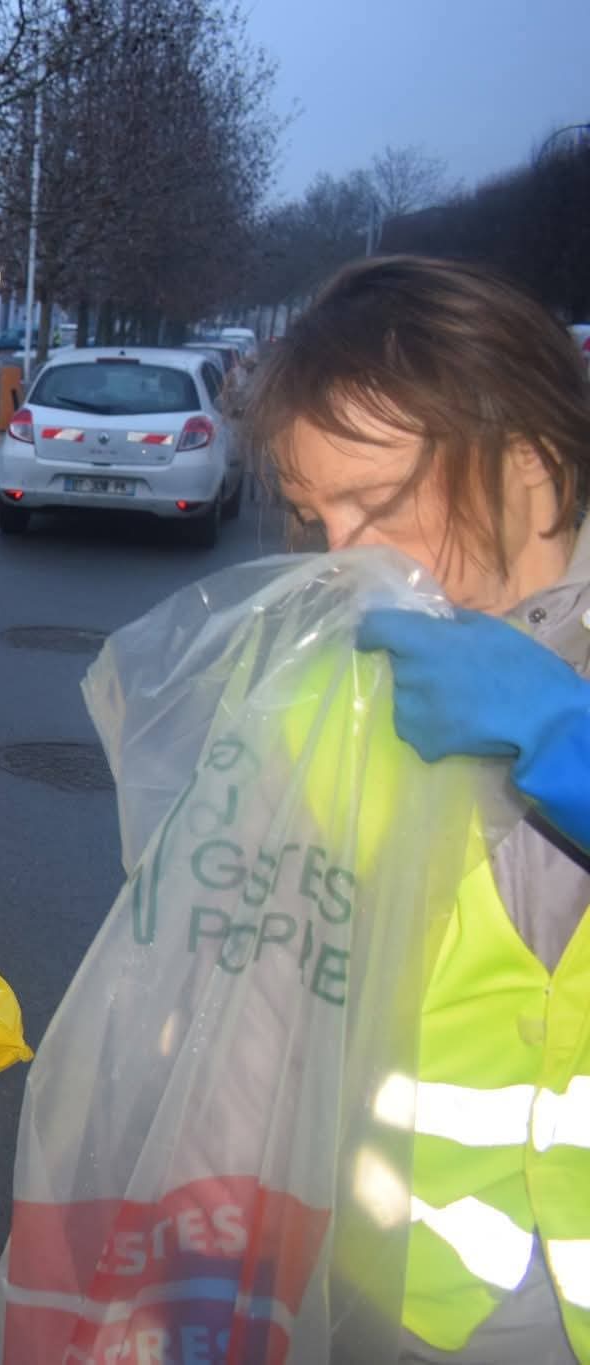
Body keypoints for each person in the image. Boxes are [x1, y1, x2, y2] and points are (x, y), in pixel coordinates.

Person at [246, 256, 590, 1363]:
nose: (344, 555)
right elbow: (260, 986)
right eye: (313, 515)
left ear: (529, 466)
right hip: (406, 1301)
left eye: (378, 503)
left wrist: (568, 748)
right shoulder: (328, 685)